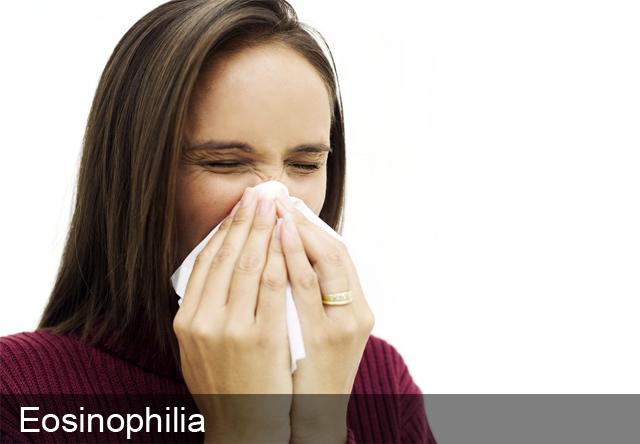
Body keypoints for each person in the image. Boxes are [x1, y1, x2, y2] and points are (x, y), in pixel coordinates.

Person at [0, 0, 435, 442]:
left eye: (305, 164)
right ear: (134, 176)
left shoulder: (377, 378)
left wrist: (320, 425)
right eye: (225, 163)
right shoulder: (18, 396)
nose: (275, 199)